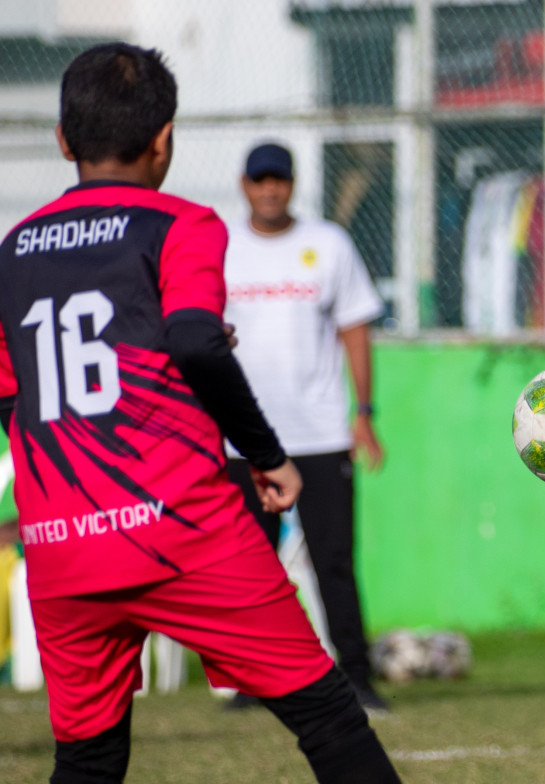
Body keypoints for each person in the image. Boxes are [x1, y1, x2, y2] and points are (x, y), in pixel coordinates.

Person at [0, 44, 400, 784]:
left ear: (63, 140)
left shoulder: (14, 250)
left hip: (62, 546)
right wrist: (267, 455)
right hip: (180, 527)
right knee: (328, 717)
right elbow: (193, 341)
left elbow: (11, 395)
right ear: (164, 140)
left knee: (87, 761)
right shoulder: (180, 224)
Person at [222, 142, 388, 712]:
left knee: (333, 560)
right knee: (251, 566)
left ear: (292, 185)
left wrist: (364, 414)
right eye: (259, 179)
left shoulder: (328, 244)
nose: (270, 189)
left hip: (318, 435)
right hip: (245, 440)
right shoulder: (221, 249)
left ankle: (358, 678)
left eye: (280, 180)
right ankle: (255, 681)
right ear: (244, 185)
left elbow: (355, 330)